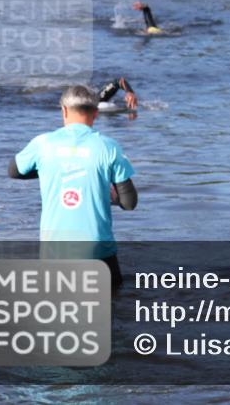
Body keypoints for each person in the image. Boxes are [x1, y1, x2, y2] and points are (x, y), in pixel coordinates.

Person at [9, 85, 138, 287]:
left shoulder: (42, 143)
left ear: (64, 110)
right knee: (111, 308)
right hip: (98, 251)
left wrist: (51, 171)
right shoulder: (109, 147)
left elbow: (14, 171)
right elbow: (129, 203)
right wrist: (111, 194)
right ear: (95, 113)